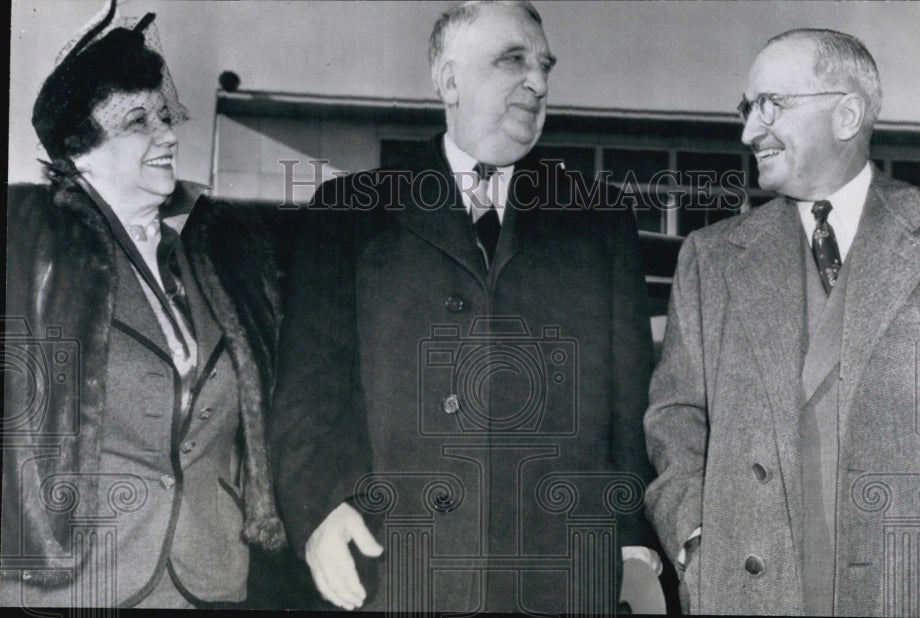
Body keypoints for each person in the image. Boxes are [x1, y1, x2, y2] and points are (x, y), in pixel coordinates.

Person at [270, 0, 660, 612]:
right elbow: (308, 391)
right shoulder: (350, 212)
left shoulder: (598, 218)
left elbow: (630, 401)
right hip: (394, 568)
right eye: (513, 60)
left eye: (545, 66)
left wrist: (635, 549)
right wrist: (320, 510)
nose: (538, 82)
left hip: (560, 578)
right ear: (449, 80)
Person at [644, 28, 920, 616]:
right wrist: (693, 540)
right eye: (747, 108)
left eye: (770, 105)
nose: (749, 130)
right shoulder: (710, 257)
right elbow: (674, 417)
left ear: (847, 114)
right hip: (749, 591)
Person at [2, 1, 285, 608]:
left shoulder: (219, 254)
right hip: (72, 586)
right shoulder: (24, 246)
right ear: (79, 151)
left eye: (164, 115)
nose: (168, 134)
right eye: (138, 122)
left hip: (208, 577)